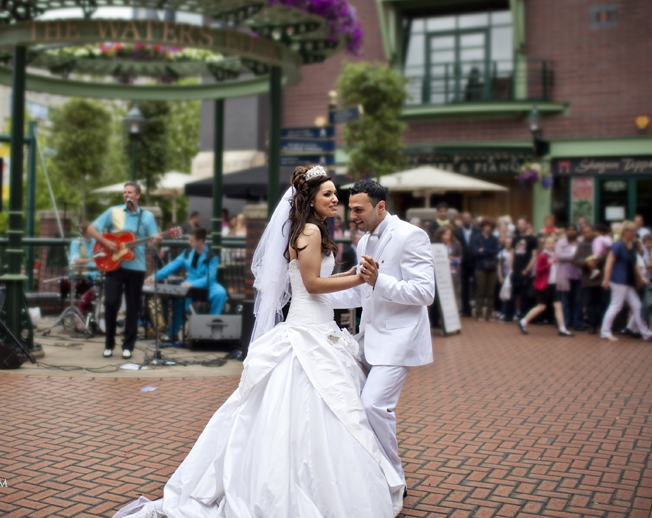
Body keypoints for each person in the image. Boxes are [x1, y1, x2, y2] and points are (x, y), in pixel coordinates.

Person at [112, 166, 402, 518]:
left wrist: (351, 274)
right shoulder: (310, 231)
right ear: (310, 199)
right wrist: (358, 279)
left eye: (334, 194)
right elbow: (312, 285)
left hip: (317, 327)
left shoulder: (310, 229)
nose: (334, 199)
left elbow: (315, 278)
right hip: (308, 329)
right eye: (327, 194)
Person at [330, 179, 436, 514]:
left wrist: (380, 280)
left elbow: (425, 293)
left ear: (380, 206)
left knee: (373, 405)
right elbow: (362, 293)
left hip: (399, 339)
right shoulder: (363, 242)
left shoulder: (411, 236)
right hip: (368, 339)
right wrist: (316, 296)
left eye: (358, 209)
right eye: (350, 210)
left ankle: (395, 480)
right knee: (340, 393)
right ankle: (367, 474)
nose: (353, 216)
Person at [88, 182, 162, 360]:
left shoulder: (147, 216)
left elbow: (152, 244)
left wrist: (156, 241)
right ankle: (109, 343)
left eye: (130, 192)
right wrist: (106, 242)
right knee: (111, 302)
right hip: (114, 265)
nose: (126, 195)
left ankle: (128, 346)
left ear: (137, 196)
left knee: (133, 306)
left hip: (136, 267)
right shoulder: (114, 211)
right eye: (124, 192)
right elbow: (91, 228)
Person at [146, 227, 227, 341]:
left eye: (191, 240)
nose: (189, 242)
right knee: (180, 299)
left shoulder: (212, 256)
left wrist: (193, 284)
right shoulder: (187, 253)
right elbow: (171, 266)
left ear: (200, 241)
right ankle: (172, 334)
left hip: (208, 284)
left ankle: (212, 330)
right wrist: (154, 276)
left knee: (220, 292)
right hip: (189, 282)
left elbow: (211, 277)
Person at [599, 221, 652, 342]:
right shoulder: (618, 245)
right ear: (626, 232)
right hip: (618, 280)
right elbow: (609, 263)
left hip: (627, 281)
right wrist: (606, 279)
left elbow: (635, 262)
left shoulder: (631, 244)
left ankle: (646, 333)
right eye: (632, 231)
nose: (634, 233)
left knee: (637, 306)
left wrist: (642, 277)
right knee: (616, 306)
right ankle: (605, 332)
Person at [518, 236, 573, 336]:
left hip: (553, 284)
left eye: (552, 243)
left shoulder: (553, 255)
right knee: (541, 306)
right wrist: (548, 265)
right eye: (549, 243)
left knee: (558, 306)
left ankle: (562, 328)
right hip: (545, 285)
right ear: (544, 245)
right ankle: (523, 321)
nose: (551, 245)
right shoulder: (543, 256)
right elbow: (538, 271)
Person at [574, 225, 605, 334]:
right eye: (585, 233)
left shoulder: (600, 242)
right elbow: (576, 259)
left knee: (602, 302)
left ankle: (603, 324)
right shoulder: (581, 245)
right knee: (590, 303)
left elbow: (607, 256)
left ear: (593, 232)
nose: (588, 234)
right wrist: (586, 263)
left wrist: (599, 261)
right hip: (587, 279)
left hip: (600, 278)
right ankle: (592, 325)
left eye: (589, 232)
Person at [555, 225, 583, 331]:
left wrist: (574, 257)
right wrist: (575, 257)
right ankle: (565, 322)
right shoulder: (560, 243)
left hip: (578, 275)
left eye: (573, 230)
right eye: (569, 230)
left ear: (577, 231)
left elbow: (584, 256)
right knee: (565, 300)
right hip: (565, 275)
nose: (571, 232)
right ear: (566, 231)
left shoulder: (580, 243)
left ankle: (577, 323)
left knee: (577, 300)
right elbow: (560, 256)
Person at [472, 218, 499, 321]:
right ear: (482, 227)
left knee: (491, 292)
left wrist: (484, 250)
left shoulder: (494, 238)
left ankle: (489, 314)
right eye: (486, 226)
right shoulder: (477, 238)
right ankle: (479, 314)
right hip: (480, 268)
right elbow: (475, 252)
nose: (488, 228)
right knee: (480, 291)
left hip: (492, 268)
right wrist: (489, 252)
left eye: (490, 226)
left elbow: (496, 251)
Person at [511, 216, 539, 318]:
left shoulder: (532, 239)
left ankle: (524, 314)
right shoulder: (515, 238)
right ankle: (517, 312)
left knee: (525, 293)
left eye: (522, 223)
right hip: (515, 270)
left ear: (527, 225)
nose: (520, 226)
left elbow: (534, 256)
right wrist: (511, 269)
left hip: (525, 270)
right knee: (516, 293)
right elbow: (512, 254)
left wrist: (527, 269)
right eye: (518, 224)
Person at [433, 225, 462, 312]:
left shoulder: (454, 243)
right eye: (445, 234)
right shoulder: (436, 245)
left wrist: (454, 259)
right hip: (440, 274)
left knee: (453, 292)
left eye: (449, 234)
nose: (447, 237)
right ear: (440, 235)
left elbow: (460, 256)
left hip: (452, 272)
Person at [455, 212, 477, 317]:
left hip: (475, 262)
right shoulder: (458, 231)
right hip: (463, 263)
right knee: (464, 286)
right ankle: (465, 309)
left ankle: (476, 308)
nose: (467, 219)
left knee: (476, 286)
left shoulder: (477, 230)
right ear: (462, 219)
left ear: (471, 218)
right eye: (464, 218)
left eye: (468, 217)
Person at [498, 236, 515, 322]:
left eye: (510, 243)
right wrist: (500, 276)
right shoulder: (501, 253)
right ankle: (503, 312)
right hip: (504, 276)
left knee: (512, 294)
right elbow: (499, 265)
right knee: (504, 294)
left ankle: (513, 313)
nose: (508, 244)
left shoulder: (514, 252)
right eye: (507, 243)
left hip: (512, 275)